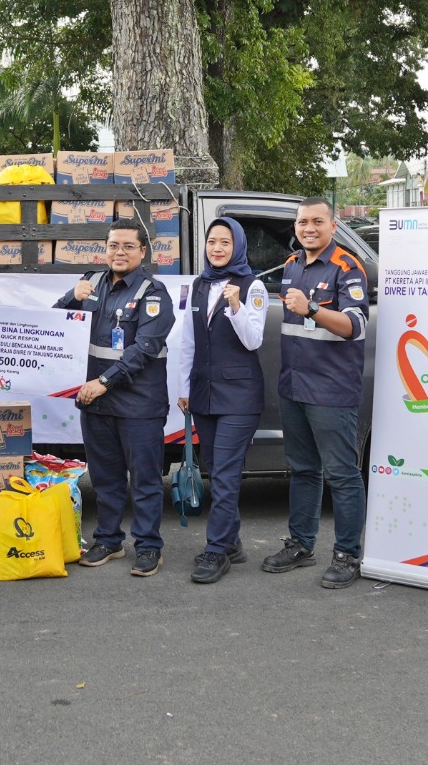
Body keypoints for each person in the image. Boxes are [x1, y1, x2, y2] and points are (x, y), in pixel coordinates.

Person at [54, 219, 176, 578]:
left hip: (138, 404)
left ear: (142, 251)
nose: (119, 252)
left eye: (127, 246)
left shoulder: (154, 293)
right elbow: (54, 330)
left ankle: (149, 546)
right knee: (105, 478)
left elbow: (145, 348)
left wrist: (104, 382)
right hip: (96, 403)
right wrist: (69, 299)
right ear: (104, 249)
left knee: (145, 479)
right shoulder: (90, 285)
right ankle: (108, 540)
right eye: (113, 246)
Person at [263, 198, 370, 588]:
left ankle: (347, 555)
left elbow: (354, 326)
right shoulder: (292, 265)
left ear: (332, 224)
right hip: (294, 385)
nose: (309, 228)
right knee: (303, 469)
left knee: (342, 474)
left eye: (317, 221)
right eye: (303, 222)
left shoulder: (346, 266)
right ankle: (301, 545)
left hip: (330, 388)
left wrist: (311, 310)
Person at [176, 218, 265, 585]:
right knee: (216, 470)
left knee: (226, 475)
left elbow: (254, 340)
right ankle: (232, 543)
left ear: (237, 246)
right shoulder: (198, 284)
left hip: (240, 397)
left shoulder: (251, 285)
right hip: (204, 394)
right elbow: (188, 341)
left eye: (225, 242)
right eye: (212, 242)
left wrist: (236, 307)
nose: (217, 248)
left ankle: (216, 551)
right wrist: (183, 388)